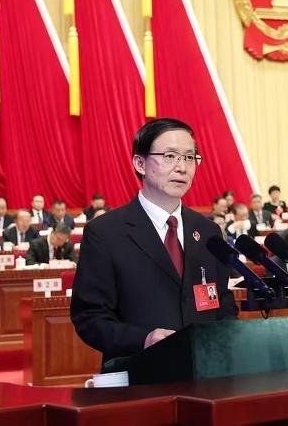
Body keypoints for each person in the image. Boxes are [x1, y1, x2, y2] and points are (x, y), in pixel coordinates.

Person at [71, 118, 237, 364]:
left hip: (206, 372)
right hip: (139, 371)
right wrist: (144, 339)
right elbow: (90, 317)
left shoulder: (207, 231)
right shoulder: (105, 232)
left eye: (189, 157)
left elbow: (223, 303)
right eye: (170, 156)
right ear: (140, 163)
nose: (182, 167)